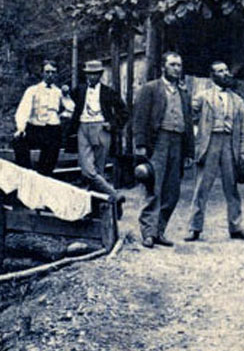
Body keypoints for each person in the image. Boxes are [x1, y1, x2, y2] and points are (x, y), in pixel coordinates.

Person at [184, 61, 244, 242]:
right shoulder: (202, 97)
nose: (225, 74)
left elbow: (243, 128)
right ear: (212, 76)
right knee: (202, 188)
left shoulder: (237, 100)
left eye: (226, 70)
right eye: (220, 71)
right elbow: (187, 116)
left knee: (232, 188)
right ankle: (194, 228)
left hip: (231, 145)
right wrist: (194, 140)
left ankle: (236, 226)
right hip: (209, 143)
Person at [133, 51, 194, 248]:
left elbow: (189, 123)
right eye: (173, 65)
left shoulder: (184, 93)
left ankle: (160, 230)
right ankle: (148, 233)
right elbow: (140, 118)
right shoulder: (151, 89)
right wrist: (141, 145)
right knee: (153, 187)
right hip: (157, 141)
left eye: (179, 65)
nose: (177, 69)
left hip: (177, 142)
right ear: (163, 67)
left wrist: (189, 152)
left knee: (172, 191)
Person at [68, 59, 129, 200]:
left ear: (100, 74)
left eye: (95, 74)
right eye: (89, 74)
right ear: (86, 75)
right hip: (83, 128)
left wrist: (112, 124)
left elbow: (124, 112)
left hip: (101, 129)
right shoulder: (79, 90)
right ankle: (114, 194)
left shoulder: (109, 92)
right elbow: (67, 102)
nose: (92, 77)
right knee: (87, 169)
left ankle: (100, 205)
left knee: (99, 170)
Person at [13, 60, 75, 176]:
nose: (50, 75)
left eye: (53, 72)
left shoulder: (59, 92)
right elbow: (23, 110)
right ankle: (26, 173)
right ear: (42, 73)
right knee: (18, 142)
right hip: (35, 128)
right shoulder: (32, 90)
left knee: (50, 154)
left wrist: (63, 111)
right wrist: (21, 128)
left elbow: (71, 110)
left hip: (52, 129)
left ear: (56, 74)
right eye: (47, 72)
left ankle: (44, 176)